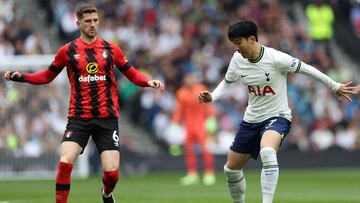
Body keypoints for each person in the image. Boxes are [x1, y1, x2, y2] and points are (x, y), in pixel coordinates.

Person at [3, 4, 164, 203]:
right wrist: (22, 77)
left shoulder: (111, 49)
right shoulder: (67, 51)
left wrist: (148, 82)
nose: (92, 25)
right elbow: (46, 76)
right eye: (88, 21)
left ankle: (106, 194)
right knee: (65, 161)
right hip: (79, 117)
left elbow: (131, 73)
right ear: (78, 23)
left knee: (112, 174)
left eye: (95, 20)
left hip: (107, 118)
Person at [197, 20, 358, 203]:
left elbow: (307, 69)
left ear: (251, 39)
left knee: (267, 152)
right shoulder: (237, 59)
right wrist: (213, 96)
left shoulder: (275, 58)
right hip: (251, 120)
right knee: (231, 170)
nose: (236, 47)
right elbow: (227, 82)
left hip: (277, 117)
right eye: (233, 43)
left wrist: (334, 85)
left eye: (238, 42)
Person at [172, 73, 216, 186]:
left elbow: (208, 105)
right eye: (187, 78)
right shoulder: (181, 93)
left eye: (191, 78)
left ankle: (209, 173)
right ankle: (192, 174)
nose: (189, 80)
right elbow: (179, 110)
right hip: (188, 124)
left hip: (201, 123)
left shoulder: (201, 89)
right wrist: (175, 123)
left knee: (205, 149)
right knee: (189, 150)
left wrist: (211, 118)